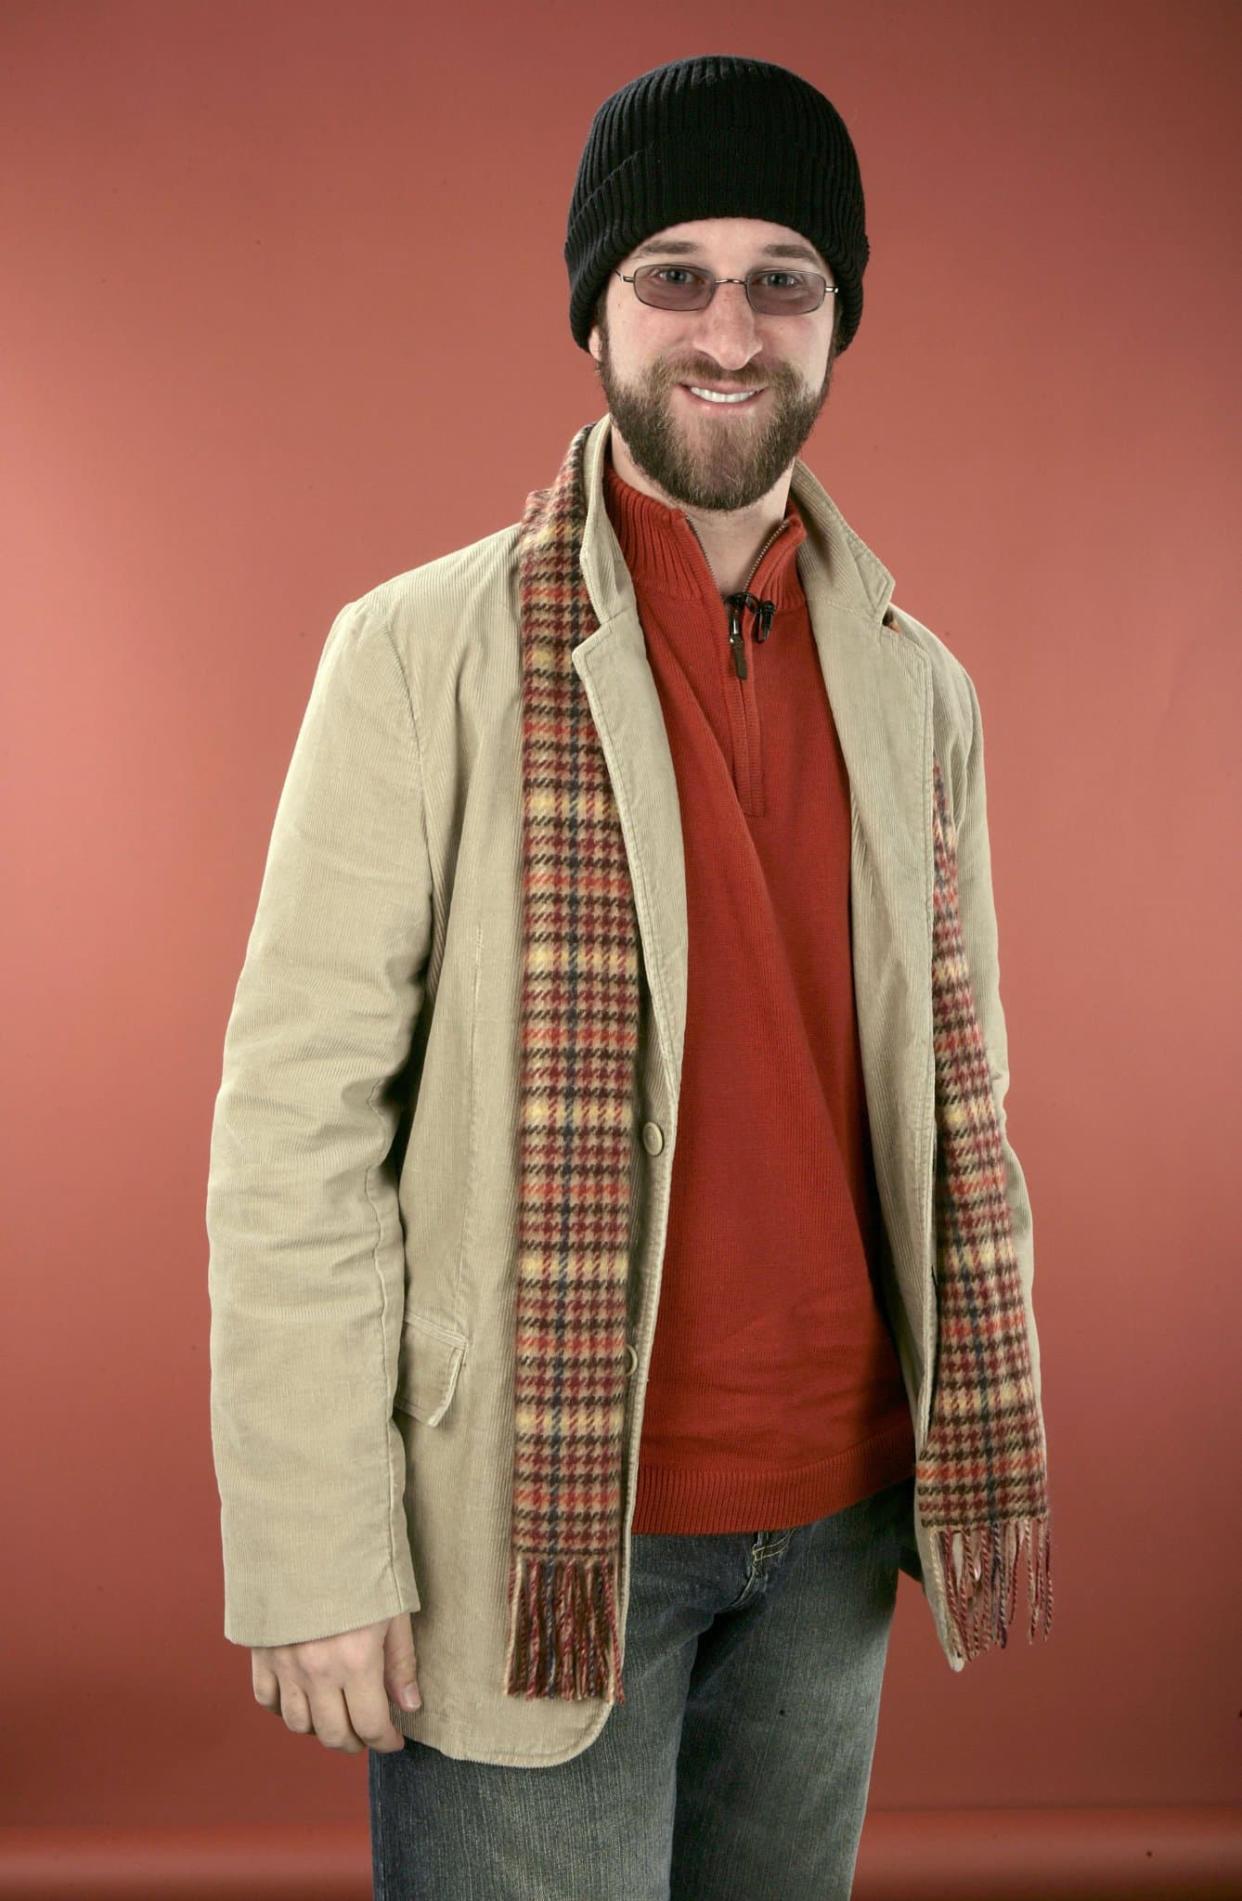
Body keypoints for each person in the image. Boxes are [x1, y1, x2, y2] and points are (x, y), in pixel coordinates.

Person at [206, 52, 1053, 1901]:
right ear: (592, 306)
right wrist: (312, 1548)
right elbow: (294, 1124)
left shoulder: (923, 686)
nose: (727, 329)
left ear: (838, 319)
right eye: (672, 272)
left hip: (835, 1526)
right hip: (530, 1519)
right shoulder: (417, 652)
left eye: (782, 280)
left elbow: (957, 1103)